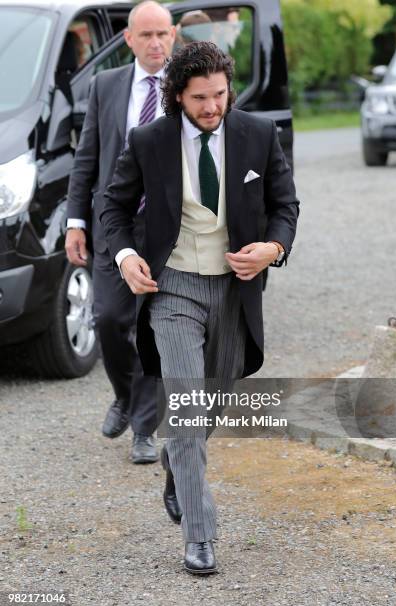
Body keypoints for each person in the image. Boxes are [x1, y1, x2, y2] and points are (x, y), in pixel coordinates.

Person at [100, 41, 299, 574]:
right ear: (178, 96)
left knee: (212, 400)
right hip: (174, 289)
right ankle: (199, 533)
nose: (212, 106)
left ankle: (175, 463)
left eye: (219, 94)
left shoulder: (256, 134)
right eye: (200, 98)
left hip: (235, 292)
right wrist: (123, 255)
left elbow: (285, 205)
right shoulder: (149, 141)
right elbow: (113, 207)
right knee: (186, 411)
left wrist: (273, 248)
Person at [65, 1, 176, 463]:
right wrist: (75, 221)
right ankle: (124, 396)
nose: (155, 44)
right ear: (128, 39)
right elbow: (87, 157)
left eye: (163, 34)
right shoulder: (105, 85)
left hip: (166, 226)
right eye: (146, 35)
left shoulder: (186, 86)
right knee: (110, 319)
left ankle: (144, 430)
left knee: (149, 326)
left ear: (174, 37)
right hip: (114, 221)